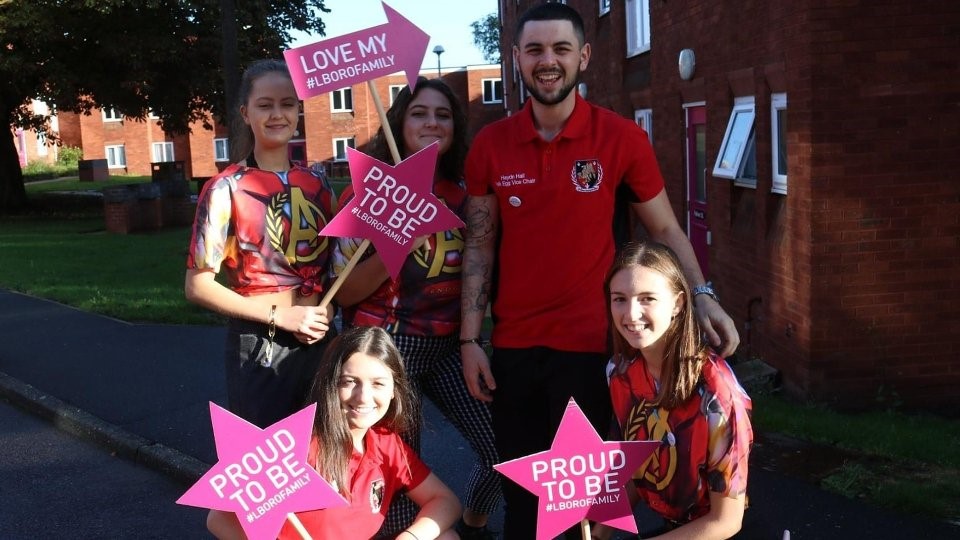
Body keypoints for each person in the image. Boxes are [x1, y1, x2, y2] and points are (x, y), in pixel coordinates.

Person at [458, 3, 740, 537]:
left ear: (583, 56)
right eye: (535, 49)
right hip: (513, 352)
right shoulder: (490, 146)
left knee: (586, 508)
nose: (548, 61)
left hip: (594, 351)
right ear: (516, 58)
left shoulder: (622, 139)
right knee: (524, 505)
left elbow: (665, 231)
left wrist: (702, 294)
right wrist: (471, 340)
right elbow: (479, 246)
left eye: (561, 49)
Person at [332, 77, 501, 540]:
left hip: (450, 344)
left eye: (442, 114)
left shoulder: (467, 195)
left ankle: (474, 522)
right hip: (384, 347)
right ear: (400, 122)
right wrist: (400, 242)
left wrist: (473, 340)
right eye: (419, 113)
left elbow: (482, 269)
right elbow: (344, 294)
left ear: (455, 126)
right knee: (394, 479)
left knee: (506, 450)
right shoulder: (365, 195)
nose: (431, 122)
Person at [185, 59, 337, 429]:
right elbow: (197, 285)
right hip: (261, 344)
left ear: (298, 112)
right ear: (245, 113)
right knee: (273, 467)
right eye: (264, 105)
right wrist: (280, 316)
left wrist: (327, 312)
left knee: (326, 458)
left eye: (287, 104)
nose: (277, 114)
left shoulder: (318, 183)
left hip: (321, 339)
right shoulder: (226, 188)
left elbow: (334, 265)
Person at [206, 326, 463, 539]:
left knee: (446, 538)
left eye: (377, 383)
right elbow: (219, 519)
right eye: (349, 382)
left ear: (394, 390)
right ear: (329, 384)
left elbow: (445, 501)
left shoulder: (387, 443)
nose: (363, 397)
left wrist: (410, 538)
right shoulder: (295, 448)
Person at [595, 240, 752, 539]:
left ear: (679, 303)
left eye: (647, 298)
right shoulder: (619, 374)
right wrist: (600, 532)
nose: (630, 314)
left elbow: (726, 521)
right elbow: (633, 468)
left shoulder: (716, 390)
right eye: (619, 299)